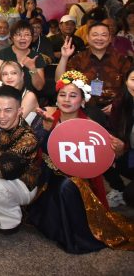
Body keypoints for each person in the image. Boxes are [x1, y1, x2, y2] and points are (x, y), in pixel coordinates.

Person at [28, 71, 134, 253]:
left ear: (83, 100)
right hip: (48, 177)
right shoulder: (48, 116)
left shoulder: (91, 126)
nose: (66, 99)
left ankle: (76, 236)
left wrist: (118, 149)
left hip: (80, 181)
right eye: (62, 94)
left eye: (73, 95)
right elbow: (32, 149)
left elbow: (105, 157)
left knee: (68, 186)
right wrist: (45, 130)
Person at [0, 85, 40, 234]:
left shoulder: (28, 138)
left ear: (20, 111)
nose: (2, 115)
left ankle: (11, 219)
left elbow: (5, 171)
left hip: (22, 184)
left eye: (8, 110)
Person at [56, 22, 132, 118]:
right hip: (85, 109)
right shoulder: (79, 59)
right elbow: (60, 80)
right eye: (95, 35)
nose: (99, 38)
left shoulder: (121, 60)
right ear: (87, 38)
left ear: (110, 38)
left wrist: (118, 105)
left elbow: (130, 87)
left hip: (116, 110)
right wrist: (64, 57)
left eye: (104, 35)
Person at [106, 67, 134, 207]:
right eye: (133, 80)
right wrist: (117, 146)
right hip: (130, 154)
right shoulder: (120, 104)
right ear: (126, 82)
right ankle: (118, 189)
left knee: (131, 196)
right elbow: (114, 130)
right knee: (100, 154)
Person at [0, 20, 46, 93]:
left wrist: (32, 68)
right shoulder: (0, 56)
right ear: (12, 38)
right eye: (18, 34)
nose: (23, 38)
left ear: (32, 38)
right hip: (6, 97)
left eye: (27, 35)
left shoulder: (36, 57)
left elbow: (39, 87)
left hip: (30, 98)